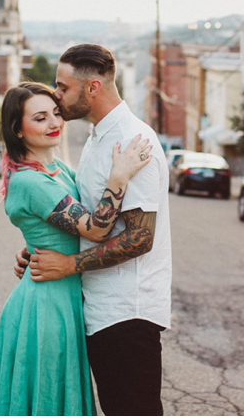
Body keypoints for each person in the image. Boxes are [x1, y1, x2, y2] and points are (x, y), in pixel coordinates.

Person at [19, 43, 172, 416]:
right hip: (100, 308)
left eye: (62, 87)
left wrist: (67, 265)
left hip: (128, 313)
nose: (56, 94)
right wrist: (42, 248)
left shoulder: (134, 142)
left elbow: (140, 237)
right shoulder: (97, 137)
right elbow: (85, 216)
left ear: (92, 89)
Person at [0, 81, 153, 416]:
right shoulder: (32, 180)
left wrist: (31, 248)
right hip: (47, 305)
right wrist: (119, 175)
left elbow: (52, 225)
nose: (54, 124)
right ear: (17, 130)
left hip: (61, 296)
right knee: (48, 397)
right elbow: (96, 228)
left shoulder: (55, 168)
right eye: (40, 118)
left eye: (56, 114)